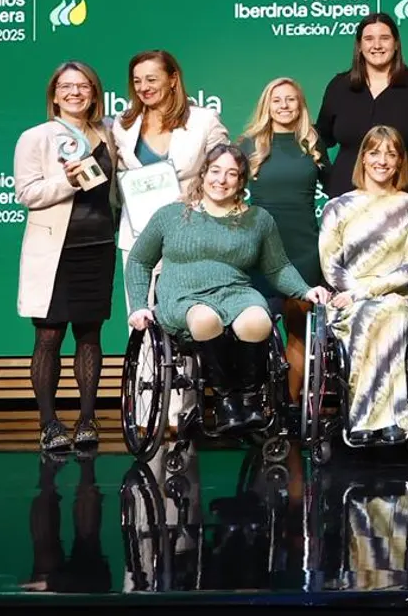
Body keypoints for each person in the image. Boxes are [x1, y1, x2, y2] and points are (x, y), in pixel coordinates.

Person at [125, 145, 329, 434]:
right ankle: (225, 401)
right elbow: (139, 260)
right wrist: (138, 305)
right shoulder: (171, 215)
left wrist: (305, 290)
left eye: (231, 174)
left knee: (258, 321)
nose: (221, 180)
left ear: (241, 181)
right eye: (216, 171)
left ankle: (248, 399)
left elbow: (278, 267)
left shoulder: (258, 219)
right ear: (203, 174)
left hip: (235, 292)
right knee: (205, 319)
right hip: (183, 295)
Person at [15, 62, 117, 454]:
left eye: (83, 86)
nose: (75, 92)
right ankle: (49, 423)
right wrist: (67, 181)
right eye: (66, 86)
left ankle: (88, 419)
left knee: (90, 335)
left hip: (98, 247)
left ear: (94, 92)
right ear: (55, 95)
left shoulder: (109, 133)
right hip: (55, 250)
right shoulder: (36, 137)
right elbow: (27, 193)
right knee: (49, 336)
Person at [318, 126, 408, 445]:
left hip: (396, 297)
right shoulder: (337, 207)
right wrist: (354, 294)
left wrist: (365, 292)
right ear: (363, 158)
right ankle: (372, 417)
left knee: (386, 312)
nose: (382, 161)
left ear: (400, 162)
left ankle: (384, 418)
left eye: (391, 154)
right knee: (366, 315)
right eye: (375, 152)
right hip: (348, 299)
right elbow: (330, 265)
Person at [238, 77, 329, 405]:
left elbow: (337, 190)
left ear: (300, 104)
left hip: (304, 247)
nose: (284, 106)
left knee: (298, 330)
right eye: (277, 100)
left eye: (291, 99)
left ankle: (289, 407)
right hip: (260, 247)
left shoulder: (312, 143)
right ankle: (256, 403)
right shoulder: (248, 144)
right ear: (267, 105)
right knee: (255, 330)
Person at [111, 50, 229, 255]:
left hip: (193, 230)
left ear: (173, 79)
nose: (143, 88)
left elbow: (224, 170)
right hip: (139, 238)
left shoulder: (204, 120)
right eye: (137, 81)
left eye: (151, 80)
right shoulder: (123, 124)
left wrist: (196, 197)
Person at [316, 12, 408, 197]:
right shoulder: (339, 87)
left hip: (403, 198)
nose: (377, 45)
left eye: (384, 38)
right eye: (369, 39)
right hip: (347, 198)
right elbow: (320, 137)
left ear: (396, 43)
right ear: (359, 46)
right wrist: (329, 177)